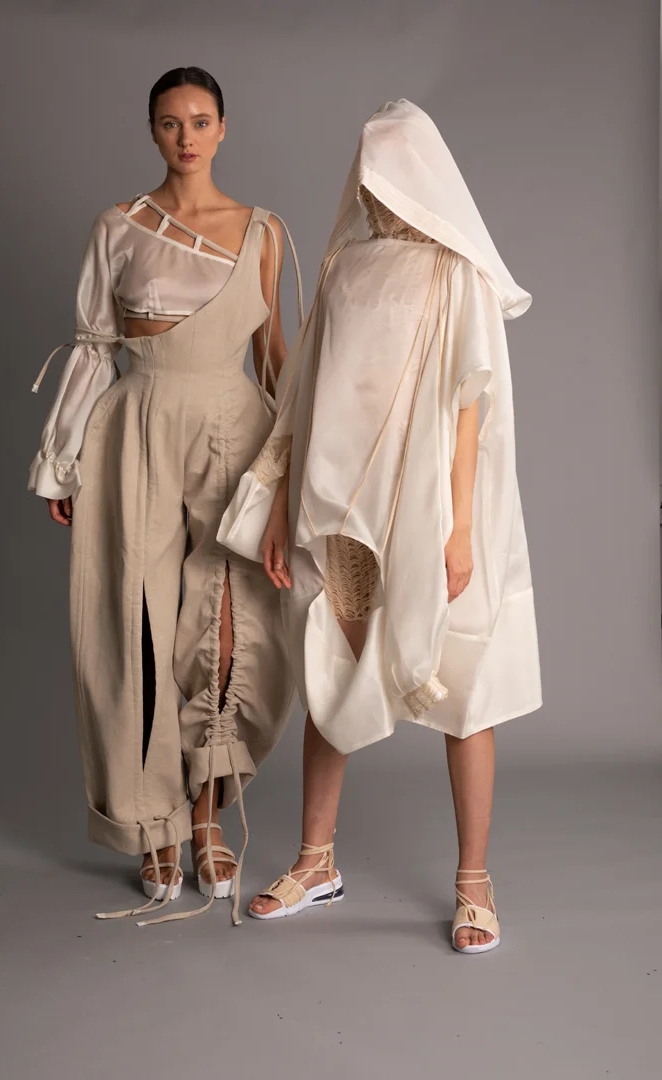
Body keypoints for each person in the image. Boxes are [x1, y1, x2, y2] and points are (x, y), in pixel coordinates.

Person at [218, 99, 541, 952]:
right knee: (332, 667)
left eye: (389, 168)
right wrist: (279, 505)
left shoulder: (455, 272)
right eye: (366, 170)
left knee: (460, 682)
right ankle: (315, 860)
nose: (373, 186)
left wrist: (459, 528)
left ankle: (474, 883)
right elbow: (300, 398)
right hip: (339, 505)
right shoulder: (345, 266)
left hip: (428, 506)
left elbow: (470, 404)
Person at [29, 66, 303, 926]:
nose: (187, 136)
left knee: (227, 621)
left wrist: (297, 469)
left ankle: (207, 816)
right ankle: (154, 824)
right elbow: (92, 346)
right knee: (135, 623)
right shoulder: (118, 226)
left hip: (235, 429)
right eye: (170, 122)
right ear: (152, 130)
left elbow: (275, 358)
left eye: (201, 120)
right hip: (135, 428)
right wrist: (61, 459)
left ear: (224, 128)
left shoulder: (264, 231)